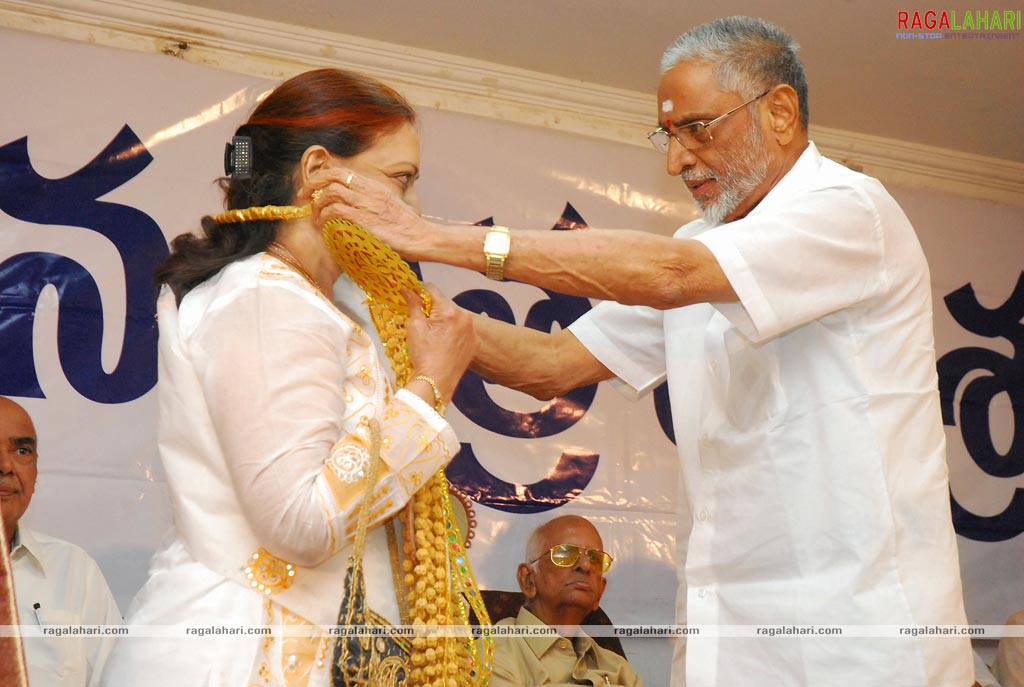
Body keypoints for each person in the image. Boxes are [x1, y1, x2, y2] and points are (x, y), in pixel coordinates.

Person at [309, 15, 973, 687]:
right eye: (668, 134)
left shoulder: (848, 210)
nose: (675, 160)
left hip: (860, 636)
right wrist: (392, 299)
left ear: (779, 111)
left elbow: (671, 274)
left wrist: (430, 236)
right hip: (728, 636)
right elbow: (551, 365)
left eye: (698, 129)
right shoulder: (703, 242)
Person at [101, 68, 481, 687]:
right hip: (244, 653)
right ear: (317, 172)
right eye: (399, 180)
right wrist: (429, 389)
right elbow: (302, 524)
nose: (410, 208)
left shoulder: (328, 302)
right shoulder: (266, 299)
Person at [1, 396, 122, 687]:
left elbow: (118, 678)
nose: (5, 465)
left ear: (36, 469)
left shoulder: (74, 569)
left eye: (22, 450)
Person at [490, 515, 640, 687]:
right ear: (528, 579)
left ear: (600, 591)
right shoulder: (495, 653)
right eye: (564, 553)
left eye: (596, 558)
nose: (585, 565)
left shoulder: (618, 669)